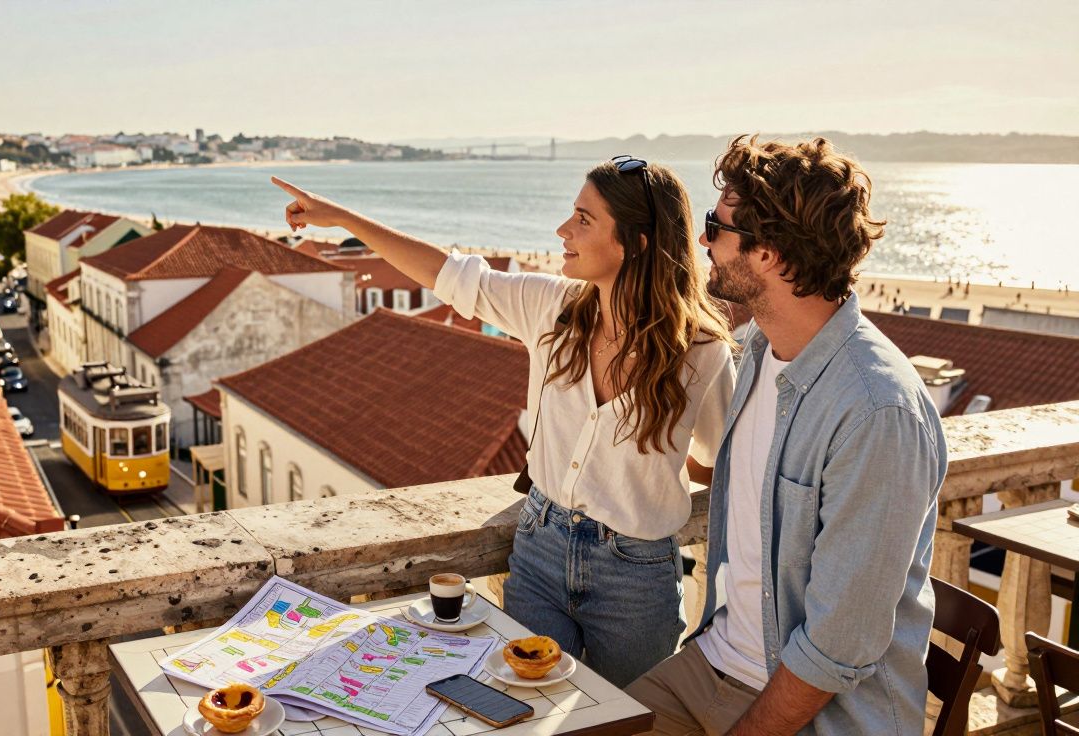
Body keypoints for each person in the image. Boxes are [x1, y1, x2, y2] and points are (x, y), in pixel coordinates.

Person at [272, 159, 735, 688]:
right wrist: (343, 219)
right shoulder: (548, 307)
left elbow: (727, 460)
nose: (563, 231)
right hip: (540, 547)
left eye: (584, 220)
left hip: (636, 577)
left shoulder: (701, 352)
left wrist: (656, 480)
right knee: (523, 708)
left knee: (625, 719)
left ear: (638, 243)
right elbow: (445, 273)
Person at [626, 135, 948, 735]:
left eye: (717, 228)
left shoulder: (876, 412)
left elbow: (837, 648)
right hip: (715, 662)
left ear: (770, 253)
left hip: (816, 712)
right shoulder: (757, 353)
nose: (702, 241)